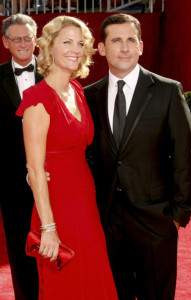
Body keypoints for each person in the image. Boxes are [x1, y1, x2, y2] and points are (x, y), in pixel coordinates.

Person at [84, 13, 191, 300]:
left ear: (141, 47)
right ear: (101, 48)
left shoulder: (167, 91)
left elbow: (185, 154)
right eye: (116, 40)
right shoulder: (88, 96)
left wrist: (177, 216)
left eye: (131, 40)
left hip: (156, 221)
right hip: (107, 222)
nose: (124, 47)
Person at [16, 15, 118, 300]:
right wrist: (48, 228)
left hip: (85, 200)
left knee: (93, 277)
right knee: (66, 284)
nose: (75, 48)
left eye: (80, 42)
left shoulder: (75, 90)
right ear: (49, 47)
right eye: (67, 42)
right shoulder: (37, 99)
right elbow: (35, 169)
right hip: (56, 206)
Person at [0, 13, 42, 300]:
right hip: (11, 182)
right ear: (5, 43)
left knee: (60, 246)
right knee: (19, 250)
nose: (23, 43)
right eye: (17, 38)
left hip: (56, 177)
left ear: (36, 38)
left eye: (28, 37)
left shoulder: (57, 73)